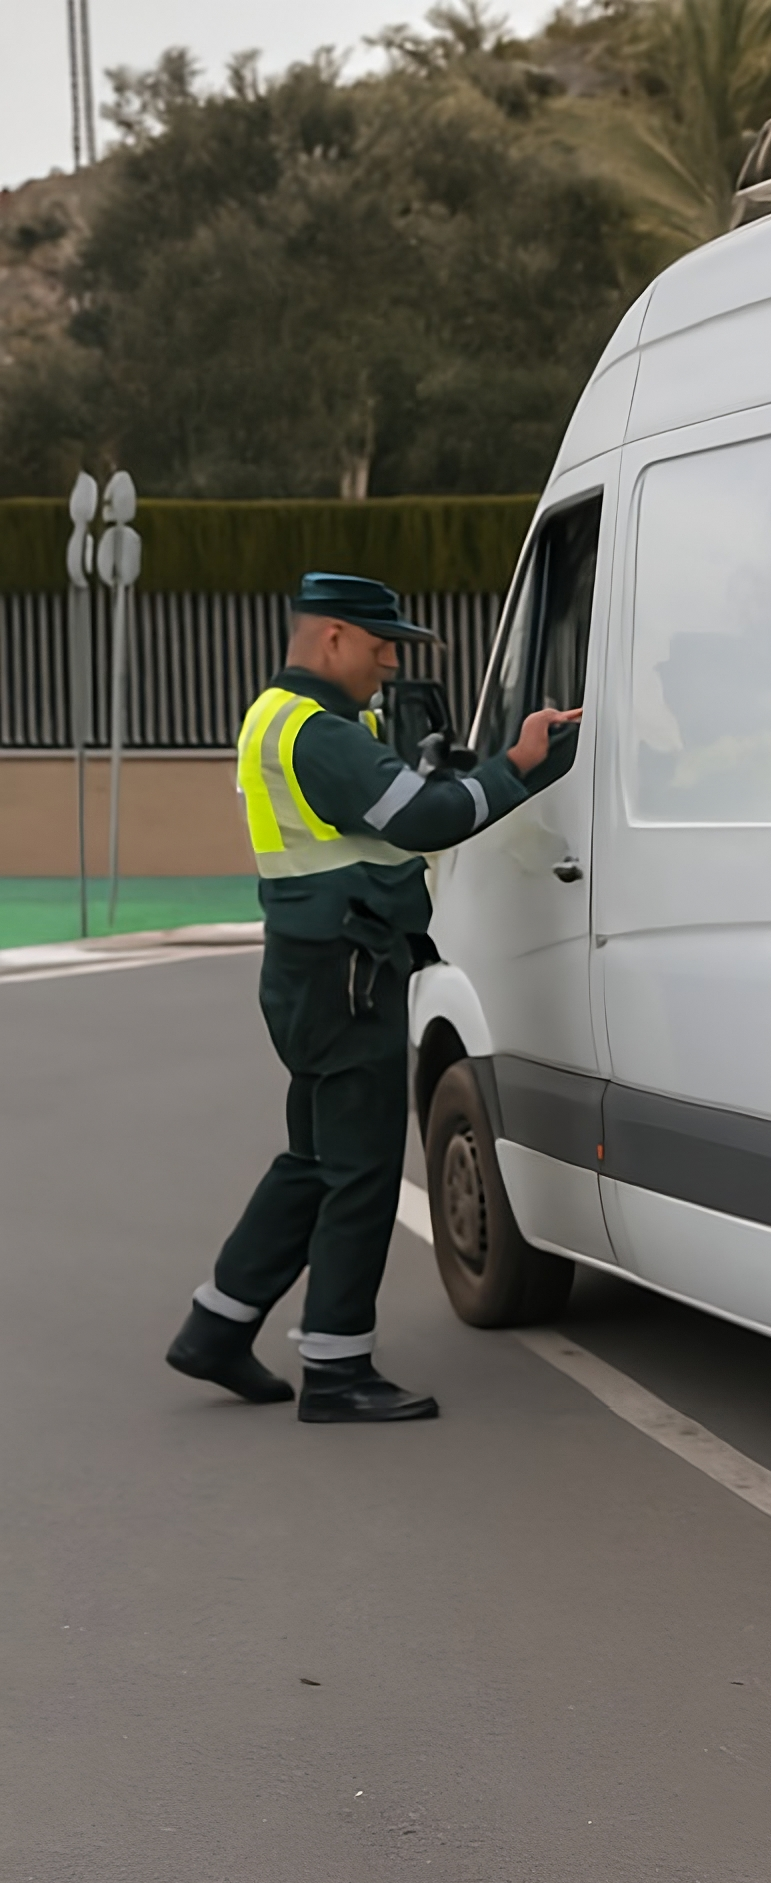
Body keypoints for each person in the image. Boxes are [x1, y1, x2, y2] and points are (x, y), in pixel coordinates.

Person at [164, 572, 581, 1422]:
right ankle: (338, 1368)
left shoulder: (279, 717)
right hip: (347, 973)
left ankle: (218, 1325)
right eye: (381, 644)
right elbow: (425, 819)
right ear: (331, 640)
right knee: (359, 1173)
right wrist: (520, 766)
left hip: (310, 968)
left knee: (314, 1159)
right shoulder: (322, 734)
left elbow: (379, 805)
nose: (391, 662)